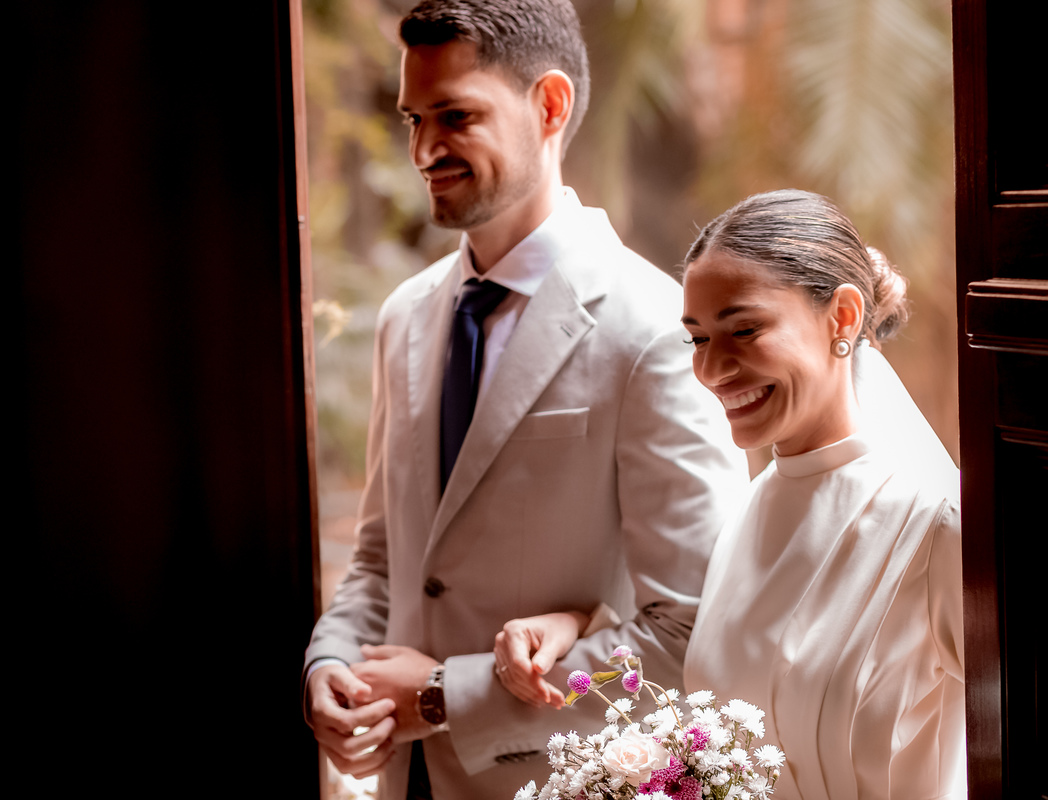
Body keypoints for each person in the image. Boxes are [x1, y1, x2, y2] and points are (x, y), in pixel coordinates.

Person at [302, 2, 748, 799]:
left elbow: (693, 635)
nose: (423, 150)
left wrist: (443, 696)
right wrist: (330, 660)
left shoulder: (650, 328)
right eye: (412, 119)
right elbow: (381, 558)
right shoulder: (405, 316)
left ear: (549, 106)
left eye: (456, 116)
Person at [496, 189, 966, 798]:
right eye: (697, 339)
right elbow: (730, 673)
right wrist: (579, 624)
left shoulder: (938, 527)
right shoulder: (746, 511)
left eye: (744, 329)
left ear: (842, 318)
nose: (713, 370)